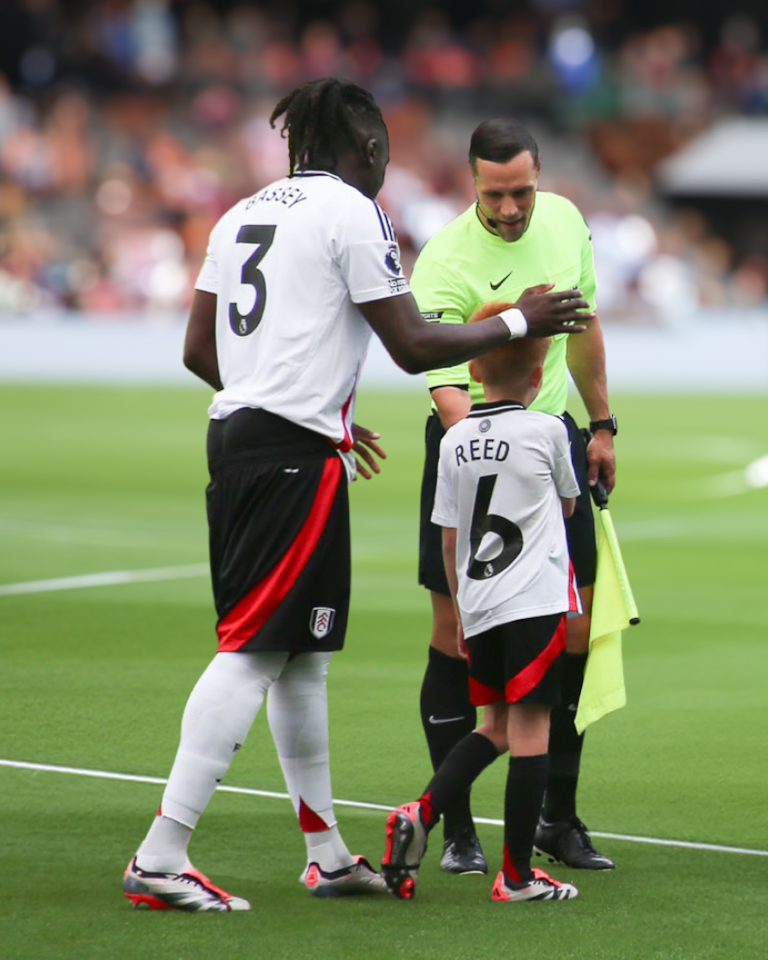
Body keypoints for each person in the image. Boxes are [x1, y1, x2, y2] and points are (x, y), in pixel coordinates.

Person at [122, 79, 594, 913]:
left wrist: (303, 406)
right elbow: (413, 346)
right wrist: (520, 322)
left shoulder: (239, 215)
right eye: (384, 153)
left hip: (251, 443)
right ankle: (162, 853)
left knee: (304, 659)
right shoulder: (350, 210)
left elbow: (199, 347)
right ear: (370, 149)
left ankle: (327, 854)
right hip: (288, 461)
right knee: (254, 651)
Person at [413, 118, 617, 874]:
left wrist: (599, 425)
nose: (509, 208)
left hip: (554, 436)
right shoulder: (442, 261)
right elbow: (447, 393)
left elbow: (584, 325)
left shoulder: (565, 221)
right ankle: (458, 829)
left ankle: (556, 819)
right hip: (475, 447)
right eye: (494, 193)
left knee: (572, 629)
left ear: (541, 177)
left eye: (522, 190)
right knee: (457, 633)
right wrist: (510, 449)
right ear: (472, 182)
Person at [382, 310, 581, 903]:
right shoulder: (548, 431)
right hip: (533, 600)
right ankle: (517, 875)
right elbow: (569, 507)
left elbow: (447, 536)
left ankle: (423, 809)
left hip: (481, 604)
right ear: (539, 372)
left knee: (492, 726)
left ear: (472, 369)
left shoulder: (454, 439)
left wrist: (464, 612)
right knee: (531, 729)